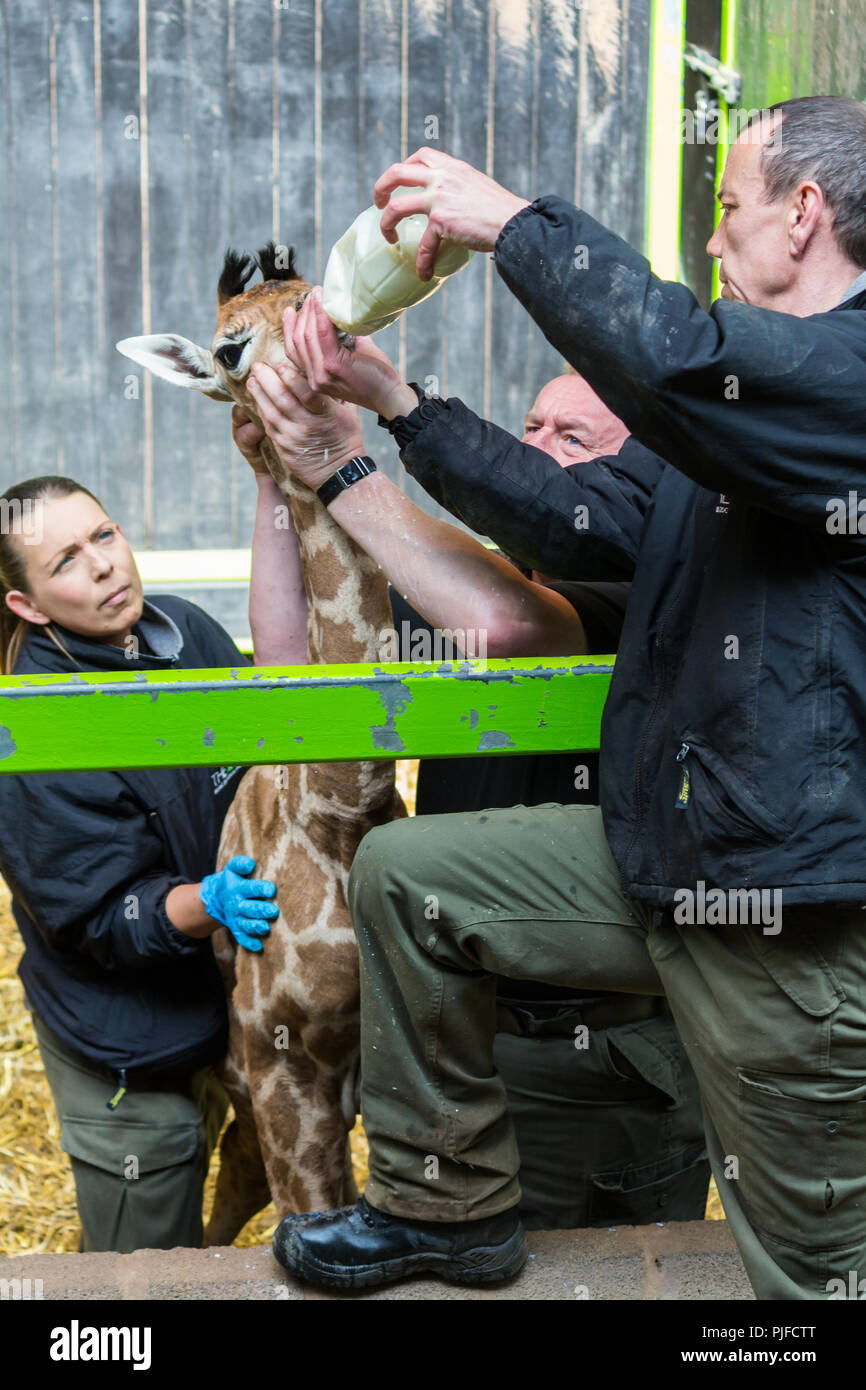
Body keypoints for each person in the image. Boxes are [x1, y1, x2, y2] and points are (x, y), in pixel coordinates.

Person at [249, 95, 866, 1300]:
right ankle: (448, 1206)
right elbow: (580, 518)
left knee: (813, 1275)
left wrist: (512, 223)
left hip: (784, 908)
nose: (709, 239)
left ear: (802, 214)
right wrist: (396, 406)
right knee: (411, 879)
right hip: (666, 856)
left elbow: (675, 358)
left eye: (725, 207)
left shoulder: (832, 384)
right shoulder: (733, 434)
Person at [244, 359, 710, 1229]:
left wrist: (345, 464)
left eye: (574, 440)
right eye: (529, 427)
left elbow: (509, 628)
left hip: (589, 1057)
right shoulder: (463, 576)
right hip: (459, 1028)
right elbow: (293, 664)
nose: (531, 451)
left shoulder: (646, 582)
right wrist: (276, 485)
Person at [0, 410, 300, 1252]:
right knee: (146, 1272)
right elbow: (100, 919)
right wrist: (206, 901)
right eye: (67, 561)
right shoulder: (34, 737)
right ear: (25, 603)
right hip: (126, 1046)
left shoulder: (186, 634)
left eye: (104, 534)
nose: (104, 567)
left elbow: (261, 756)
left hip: (221, 1011)